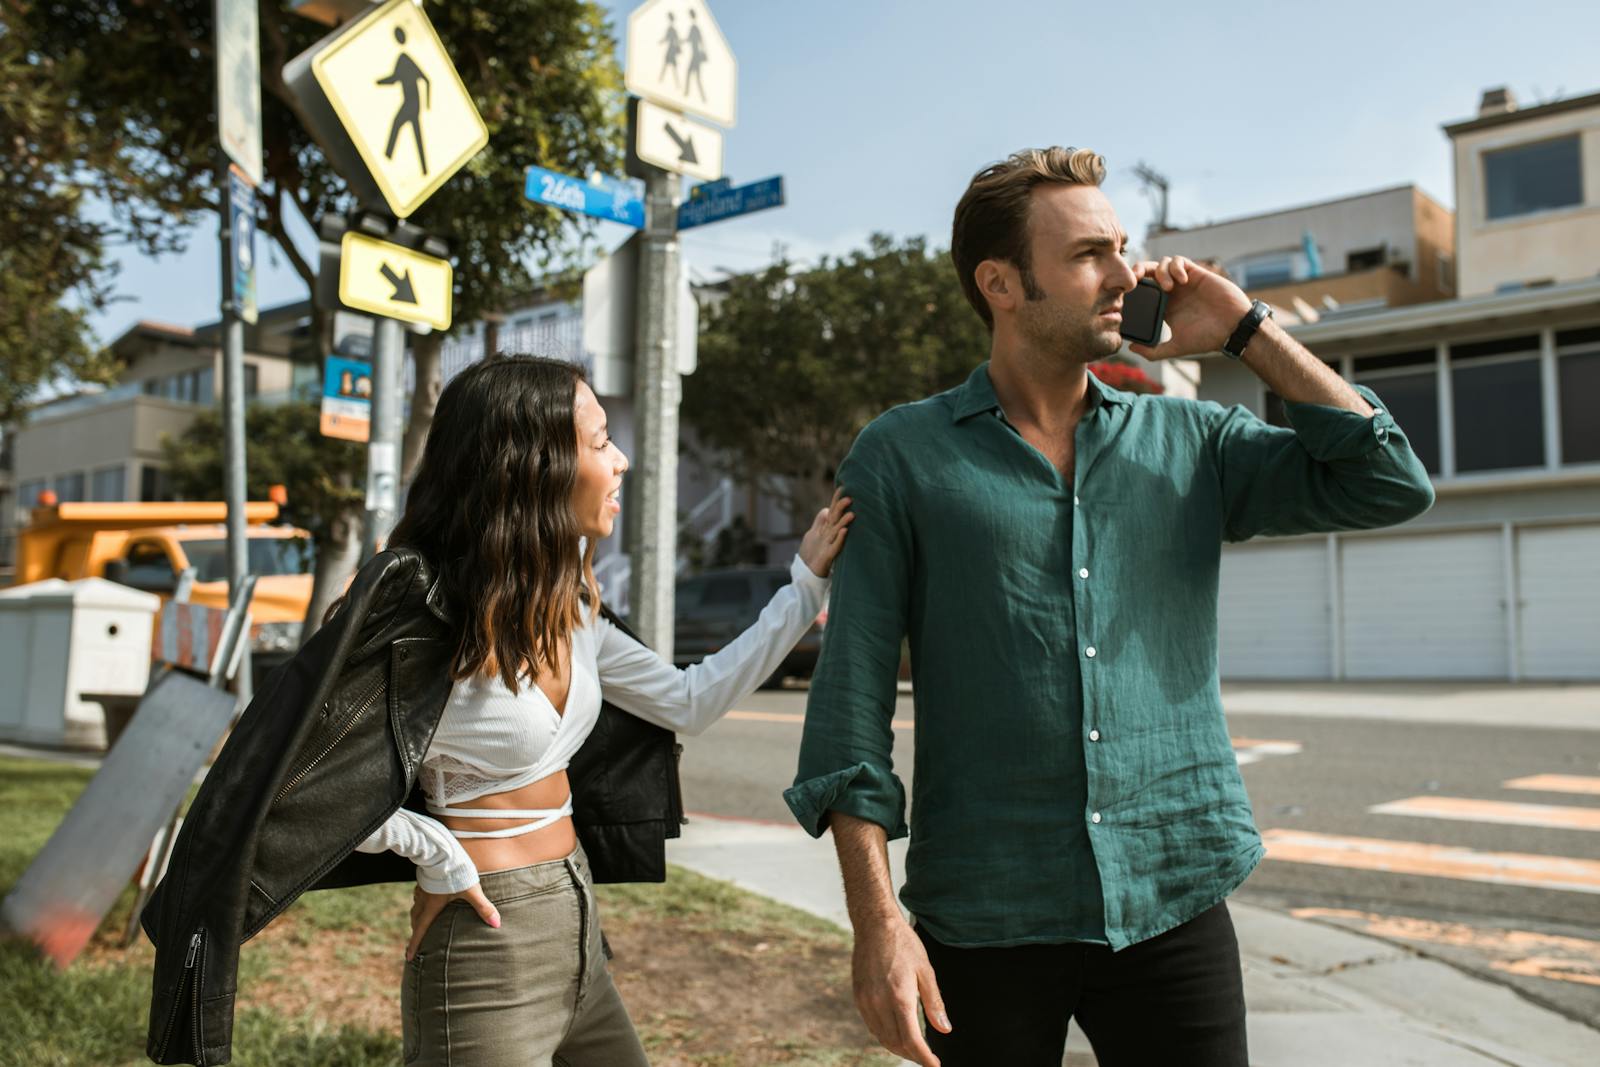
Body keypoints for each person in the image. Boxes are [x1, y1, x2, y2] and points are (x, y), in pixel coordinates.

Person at [785, 147, 1435, 1067]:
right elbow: (849, 705)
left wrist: (1247, 328)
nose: (1127, 276)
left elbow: (1390, 481)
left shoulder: (1193, 440)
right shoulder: (903, 456)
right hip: (985, 914)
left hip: (1174, 894)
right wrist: (877, 921)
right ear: (1001, 282)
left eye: (1124, 248)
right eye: (1091, 253)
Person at [342, 355, 853, 1065]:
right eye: (600, 440)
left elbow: (689, 699)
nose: (621, 460)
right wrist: (436, 855)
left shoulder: (568, 608)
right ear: (534, 463)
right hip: (482, 940)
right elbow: (292, 783)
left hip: (575, 919)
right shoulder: (421, 611)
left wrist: (804, 585)